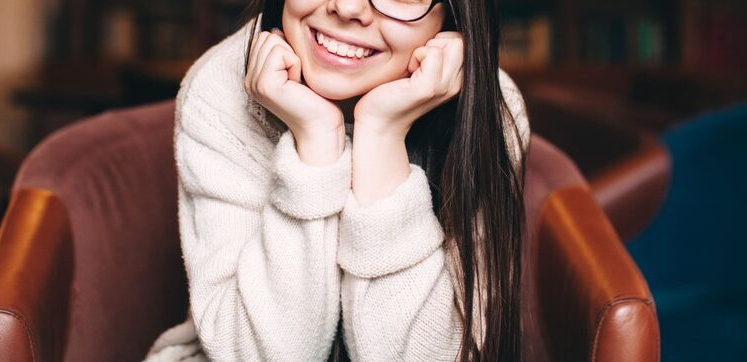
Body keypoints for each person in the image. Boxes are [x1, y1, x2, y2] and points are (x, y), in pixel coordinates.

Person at [145, 0, 530, 360]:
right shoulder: (220, 88)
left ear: (453, 16)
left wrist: (382, 135)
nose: (346, 8)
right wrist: (314, 144)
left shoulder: (490, 113)